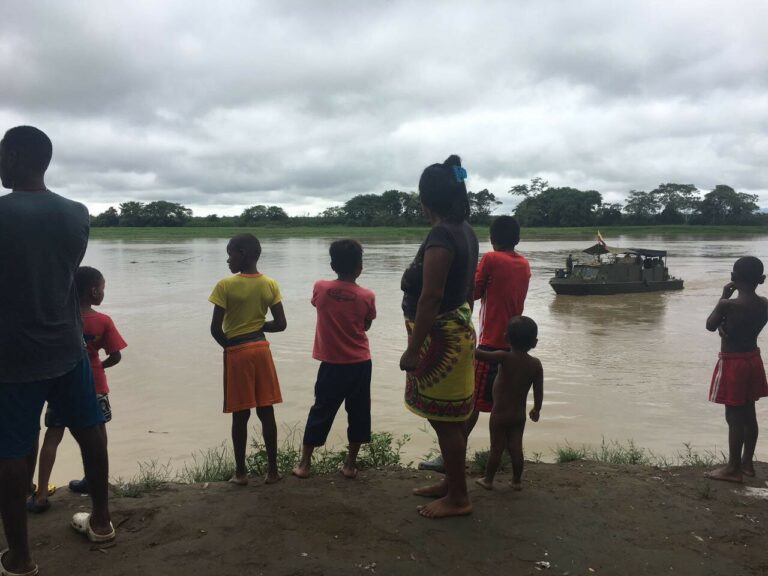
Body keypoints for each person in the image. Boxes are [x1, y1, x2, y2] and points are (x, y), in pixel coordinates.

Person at [0, 126, 114, 576]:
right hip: (68, 346)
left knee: (10, 450)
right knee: (91, 429)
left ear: (12, 157)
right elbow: (64, 271)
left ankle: (21, 558)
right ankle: (102, 521)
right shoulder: (76, 213)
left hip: (11, 356)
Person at [400, 155, 479, 518]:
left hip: (440, 339)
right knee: (450, 417)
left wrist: (413, 350)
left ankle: (459, 498)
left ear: (426, 199)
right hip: (455, 331)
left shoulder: (442, 235)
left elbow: (431, 296)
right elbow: (466, 289)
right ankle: (452, 482)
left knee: (446, 421)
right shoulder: (464, 229)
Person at [27, 267, 127, 512]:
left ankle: (40, 495)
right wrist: (99, 367)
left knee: (52, 436)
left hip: (60, 385)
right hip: (95, 384)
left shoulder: (59, 319)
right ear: (93, 291)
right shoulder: (102, 321)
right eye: (102, 289)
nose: (103, 293)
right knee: (97, 436)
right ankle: (95, 482)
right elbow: (115, 356)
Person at [292, 240, 376, 479]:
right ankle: (350, 465)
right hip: (360, 363)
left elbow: (318, 305)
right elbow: (366, 325)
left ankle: (305, 465)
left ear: (332, 265)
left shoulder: (321, 287)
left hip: (331, 364)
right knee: (359, 412)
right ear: (360, 267)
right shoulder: (367, 295)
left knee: (321, 410)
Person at [209, 233, 286, 485]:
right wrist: (258, 327)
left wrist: (231, 347)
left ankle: (241, 473)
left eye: (230, 254)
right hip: (261, 349)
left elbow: (215, 329)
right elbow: (281, 324)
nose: (228, 260)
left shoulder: (225, 285)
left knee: (240, 416)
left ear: (242, 253)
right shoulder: (270, 284)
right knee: (267, 411)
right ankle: (272, 472)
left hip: (238, 353)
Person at [705, 256, 768, 483]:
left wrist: (723, 298)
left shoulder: (727, 305)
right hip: (753, 359)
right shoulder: (765, 304)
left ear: (733, 278)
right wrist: (726, 326)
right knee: (749, 413)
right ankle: (747, 463)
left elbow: (710, 325)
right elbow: (742, 327)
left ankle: (733, 469)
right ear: (762, 279)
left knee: (734, 416)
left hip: (733, 362)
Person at [467, 216, 530, 437]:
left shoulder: (491, 259)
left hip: (490, 344)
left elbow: (472, 293)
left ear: (492, 239)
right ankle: (502, 452)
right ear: (518, 239)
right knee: (505, 403)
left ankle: (453, 453)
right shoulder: (524, 264)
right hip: (515, 346)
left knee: (472, 402)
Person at [474, 316, 543, 491]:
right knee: (516, 448)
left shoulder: (503, 357)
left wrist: (465, 342)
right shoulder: (535, 364)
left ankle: (488, 480)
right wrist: (537, 409)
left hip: (499, 414)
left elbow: (480, 355)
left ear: (506, 338)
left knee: (496, 448)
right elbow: (538, 390)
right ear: (534, 342)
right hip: (518, 415)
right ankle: (516, 481)